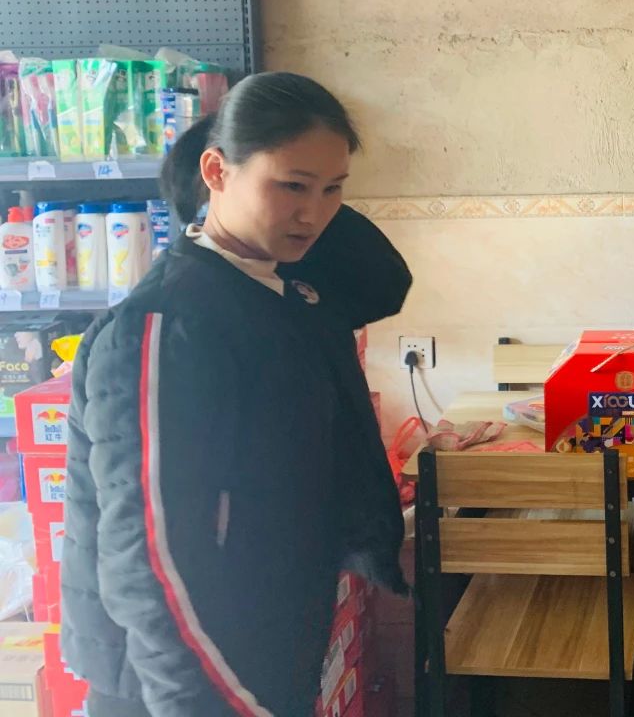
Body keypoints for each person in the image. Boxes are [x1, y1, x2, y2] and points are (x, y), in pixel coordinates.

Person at [63, 72, 412, 717]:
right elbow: (149, 559)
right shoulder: (165, 326)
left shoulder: (280, 292)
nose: (314, 214)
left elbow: (382, 284)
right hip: (179, 681)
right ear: (216, 171)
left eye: (333, 188)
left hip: (262, 647)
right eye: (291, 185)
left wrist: (290, 200)